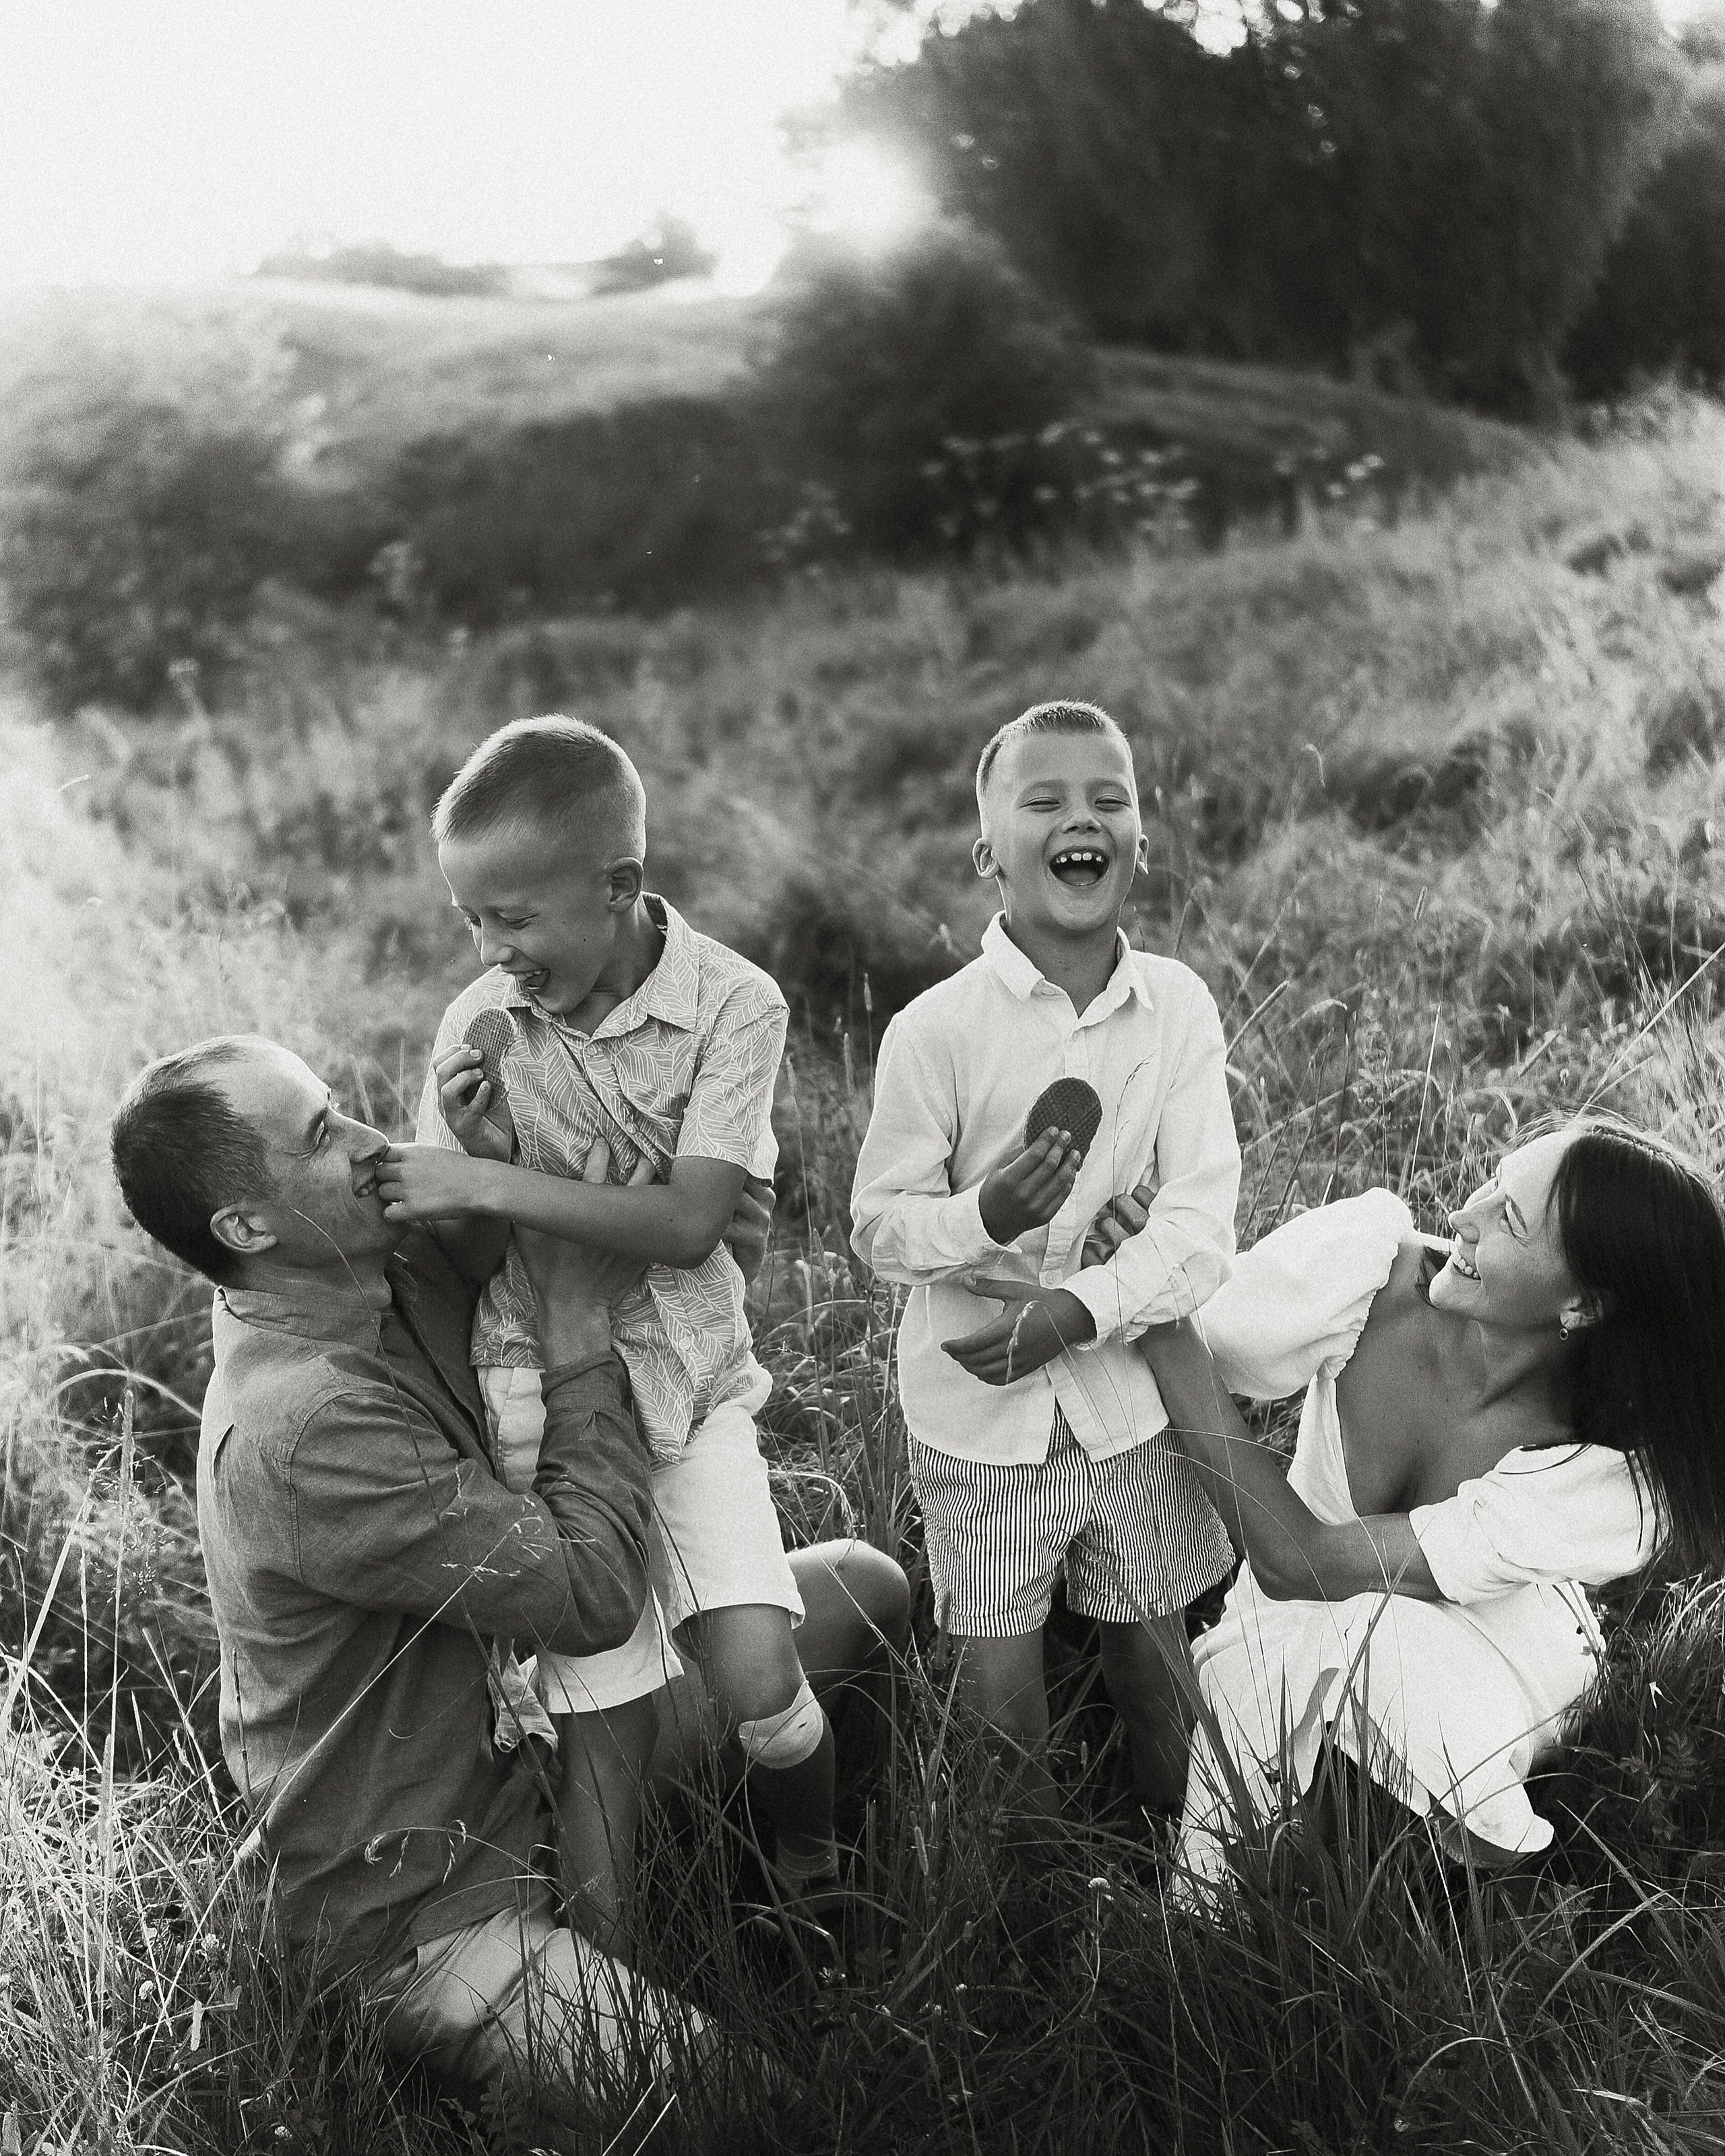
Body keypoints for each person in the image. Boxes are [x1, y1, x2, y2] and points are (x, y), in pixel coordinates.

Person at [108, 1033, 908, 2099]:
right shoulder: (308, 1428)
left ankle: (788, 1878)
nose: (367, 1142)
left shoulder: (342, 1268)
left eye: (340, 1105)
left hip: (526, 1758)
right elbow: (589, 1594)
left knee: (864, 1586)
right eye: (320, 1137)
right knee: (753, 2106)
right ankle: (532, 2023)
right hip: (417, 1907)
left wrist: (686, 1245)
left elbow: (491, 1261)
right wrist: (581, 1323)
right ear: (246, 1227)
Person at [376, 715, 844, 1949]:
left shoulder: (734, 1005)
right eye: (471, 919)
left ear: (620, 886)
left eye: (515, 920)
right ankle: (616, 1990)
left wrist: (485, 1182)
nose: (489, 951)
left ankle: (817, 1875)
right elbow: (464, 1256)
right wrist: (475, 1159)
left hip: (686, 1394)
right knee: (605, 1720)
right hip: (537, 1394)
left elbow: (694, 1223)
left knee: (757, 1678)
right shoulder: (481, 1027)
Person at [1067, 1117, 1725, 1886]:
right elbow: (1196, 1331)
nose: (1461, 1215)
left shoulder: (1607, 1477)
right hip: (1290, 1613)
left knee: (1352, 1660)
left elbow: (1296, 1559)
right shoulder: (1371, 1270)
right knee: (1275, 1691)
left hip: (1495, 1652)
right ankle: (1235, 1886)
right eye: (1492, 1180)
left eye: (1507, 1218)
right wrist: (1144, 1268)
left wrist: (1166, 1326)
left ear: (1582, 1306)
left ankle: (1351, 1889)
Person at [849, 699, 1241, 1818]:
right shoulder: (936, 1031)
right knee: (1000, 1718)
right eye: (1047, 800)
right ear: (990, 856)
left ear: (1141, 845)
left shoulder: (1175, 1009)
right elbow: (880, 1224)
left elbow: (1202, 1224)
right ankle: (1014, 1923)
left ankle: (1196, 1889)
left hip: (1125, 1410)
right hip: (981, 1436)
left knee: (1158, 1679)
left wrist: (1083, 1310)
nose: (1085, 818)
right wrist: (985, 1212)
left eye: (1110, 799)